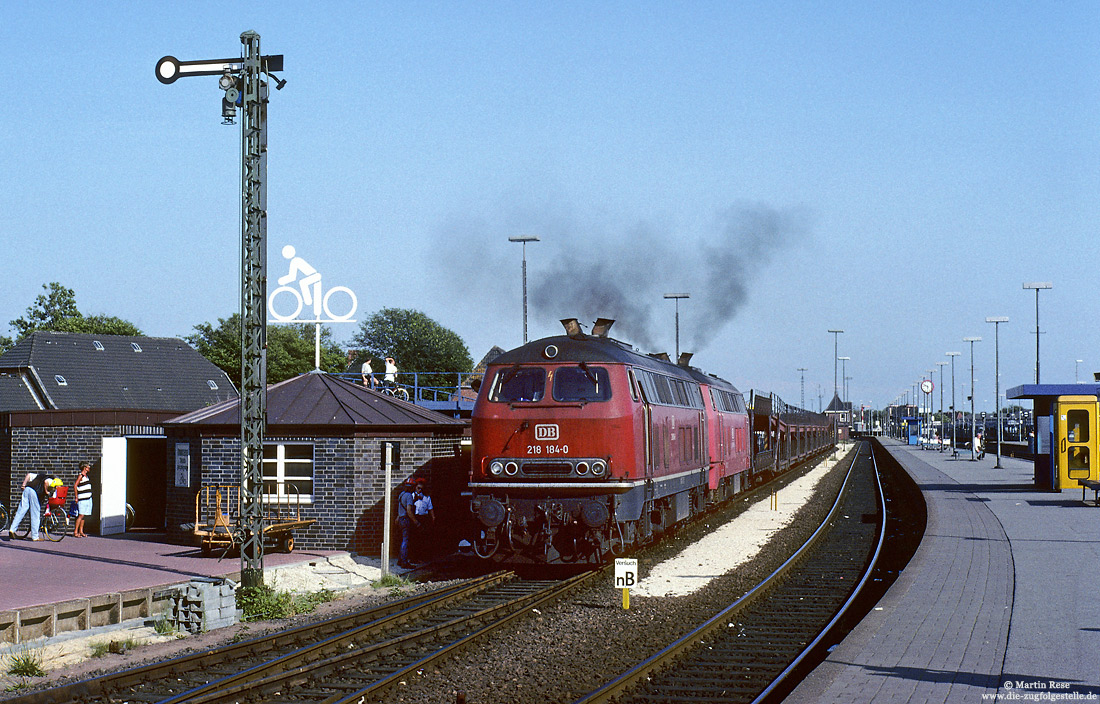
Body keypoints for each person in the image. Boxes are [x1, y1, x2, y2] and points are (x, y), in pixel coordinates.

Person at [7, 471, 54, 541]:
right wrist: (47, 491)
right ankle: (35, 536)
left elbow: (28, 475)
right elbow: (46, 482)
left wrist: (23, 485)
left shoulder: (37, 476)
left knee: (21, 510)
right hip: (34, 492)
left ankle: (12, 529)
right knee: (35, 513)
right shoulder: (50, 480)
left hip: (27, 489)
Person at [396, 479, 420, 569]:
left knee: (402, 540)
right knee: (405, 541)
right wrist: (416, 521)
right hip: (406, 520)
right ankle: (404, 562)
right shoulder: (409, 496)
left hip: (400, 519)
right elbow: (409, 511)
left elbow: (400, 508)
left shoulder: (401, 494)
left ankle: (400, 560)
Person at [413, 480, 435, 561]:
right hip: (415, 517)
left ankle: (424, 557)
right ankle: (414, 557)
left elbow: (430, 508)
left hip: (424, 518)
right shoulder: (412, 496)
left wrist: (433, 518)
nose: (420, 490)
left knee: (424, 539)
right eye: (418, 488)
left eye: (421, 489)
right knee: (415, 539)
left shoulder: (427, 498)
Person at [74, 462, 92, 538]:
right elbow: (75, 485)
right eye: (88, 466)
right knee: (81, 515)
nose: (89, 468)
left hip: (88, 498)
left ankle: (81, 531)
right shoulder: (80, 476)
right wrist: (76, 497)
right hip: (82, 499)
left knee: (84, 515)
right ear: (85, 468)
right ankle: (75, 532)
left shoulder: (86, 476)